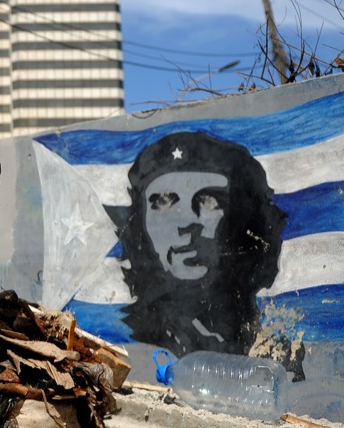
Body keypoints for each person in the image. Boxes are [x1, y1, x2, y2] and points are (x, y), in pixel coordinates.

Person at [117, 131, 287, 357]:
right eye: (163, 201)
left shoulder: (276, 353)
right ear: (140, 224)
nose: (186, 221)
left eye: (210, 200)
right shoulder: (129, 347)